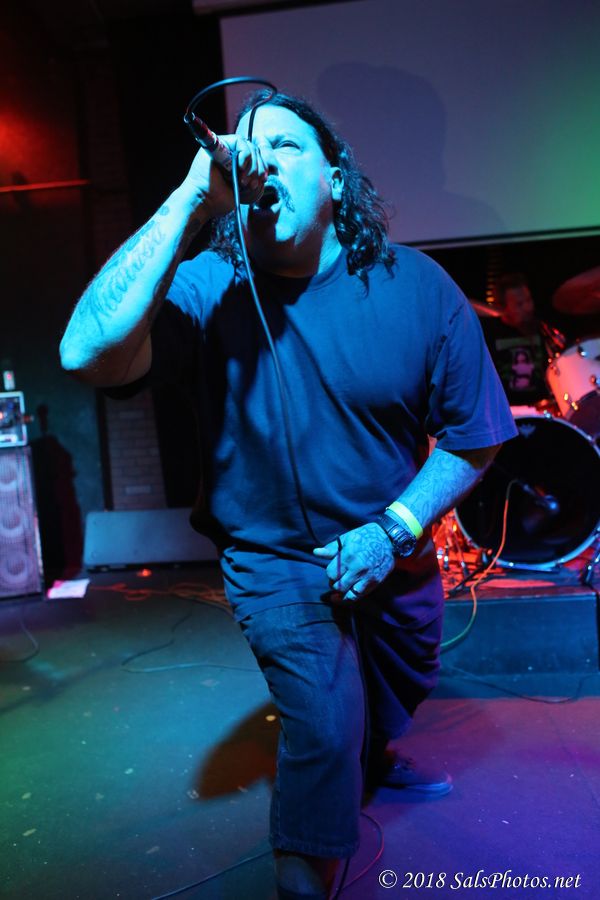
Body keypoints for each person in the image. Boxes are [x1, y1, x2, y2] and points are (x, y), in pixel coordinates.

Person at [60, 90, 517, 900]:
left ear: (336, 179)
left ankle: (375, 749)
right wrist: (192, 197)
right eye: (247, 146)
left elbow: (475, 435)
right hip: (271, 557)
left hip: (391, 540)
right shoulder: (211, 286)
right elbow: (84, 353)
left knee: (402, 678)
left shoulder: (418, 287)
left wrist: (393, 530)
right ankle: (305, 870)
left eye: (286, 146)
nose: (259, 159)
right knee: (324, 715)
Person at [481, 272, 554, 407]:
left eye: (529, 300)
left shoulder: (543, 329)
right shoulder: (490, 334)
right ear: (502, 308)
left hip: (541, 407)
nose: (528, 308)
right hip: (506, 409)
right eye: (519, 304)